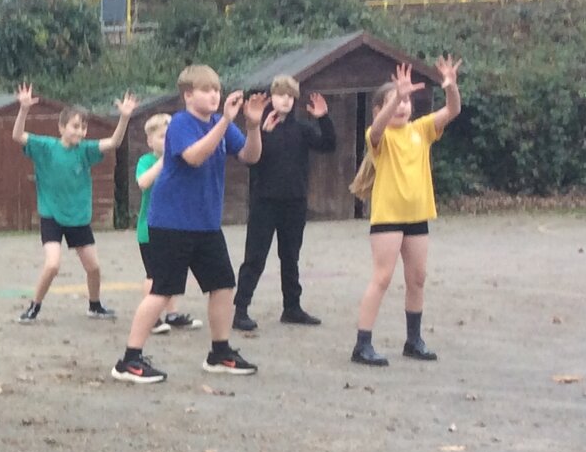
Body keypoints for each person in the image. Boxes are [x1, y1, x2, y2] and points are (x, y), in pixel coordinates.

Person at [111, 65, 264, 384]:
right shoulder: (181, 123)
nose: (214, 95)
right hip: (171, 222)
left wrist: (252, 126)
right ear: (188, 95)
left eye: (217, 90)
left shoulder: (220, 126)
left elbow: (251, 157)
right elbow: (194, 157)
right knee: (161, 291)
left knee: (223, 286)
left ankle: (219, 353)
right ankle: (129, 360)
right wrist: (225, 120)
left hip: (206, 224)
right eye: (206, 90)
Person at [353, 58, 463, 366]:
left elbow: (452, 110)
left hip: (417, 215)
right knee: (382, 278)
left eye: (406, 102)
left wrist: (450, 86)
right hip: (388, 217)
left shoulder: (422, 130)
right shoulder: (379, 136)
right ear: (379, 110)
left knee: (417, 279)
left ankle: (413, 340)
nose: (402, 107)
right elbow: (377, 127)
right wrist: (395, 97)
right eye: (394, 103)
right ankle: (362, 344)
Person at [12, 85, 134, 324]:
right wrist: (23, 109)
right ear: (61, 127)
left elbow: (114, 142)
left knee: (94, 268)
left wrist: (125, 117)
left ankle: (95, 305)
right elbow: (18, 135)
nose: (80, 131)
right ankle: (34, 307)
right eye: (75, 126)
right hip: (52, 216)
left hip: (78, 217)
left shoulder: (86, 151)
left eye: (83, 127)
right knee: (53, 265)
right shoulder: (46, 147)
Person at [234, 75, 336, 331]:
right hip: (264, 201)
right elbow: (250, 158)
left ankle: (292, 307)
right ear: (272, 97)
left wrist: (323, 118)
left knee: (290, 256)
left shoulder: (302, 129)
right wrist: (259, 131)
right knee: (255, 257)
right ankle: (241, 309)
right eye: (281, 95)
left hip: (294, 201)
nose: (286, 100)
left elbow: (328, 144)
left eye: (290, 96)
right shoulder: (262, 128)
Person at [132, 114, 195, 336]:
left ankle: (172, 314)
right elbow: (143, 182)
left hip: (173, 227)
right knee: (154, 275)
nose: (167, 141)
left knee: (171, 273)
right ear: (150, 141)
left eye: (170, 136)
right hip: (149, 229)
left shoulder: (181, 161)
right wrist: (163, 161)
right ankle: (152, 317)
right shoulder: (146, 161)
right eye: (161, 137)